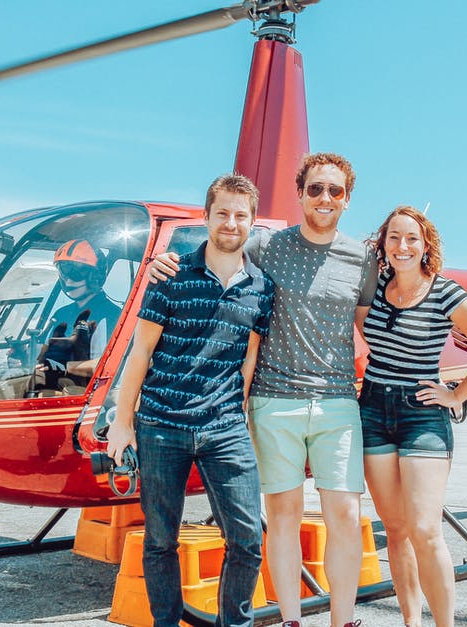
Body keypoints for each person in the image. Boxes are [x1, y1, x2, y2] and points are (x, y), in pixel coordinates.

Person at [151, 153, 376, 627]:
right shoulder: (267, 245)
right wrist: (161, 263)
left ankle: (342, 620)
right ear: (299, 194)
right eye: (315, 188)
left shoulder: (363, 257)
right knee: (284, 513)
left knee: (343, 510)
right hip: (275, 399)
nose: (324, 198)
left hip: (337, 399)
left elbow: (372, 325)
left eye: (334, 191)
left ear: (348, 199)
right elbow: (219, 243)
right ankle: (291, 619)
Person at [105, 173, 275, 627]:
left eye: (241, 215)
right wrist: (123, 423)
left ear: (252, 222)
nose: (231, 223)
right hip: (161, 424)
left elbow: (249, 362)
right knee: (161, 539)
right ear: (206, 217)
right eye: (222, 213)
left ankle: (233, 624)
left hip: (224, 427)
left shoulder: (261, 287)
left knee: (247, 539)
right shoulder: (172, 274)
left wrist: (246, 425)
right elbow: (139, 352)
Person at [356, 205, 467, 627]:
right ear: (383, 245)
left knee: (425, 530)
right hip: (372, 409)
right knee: (397, 530)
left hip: (422, 414)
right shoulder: (375, 285)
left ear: (425, 246)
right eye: (394, 238)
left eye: (412, 239)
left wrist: (457, 394)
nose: (402, 246)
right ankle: (411, 622)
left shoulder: (445, 292)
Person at [32, 239, 122, 391]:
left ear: (95, 275)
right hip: (54, 388)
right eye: (64, 271)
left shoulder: (112, 316)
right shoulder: (61, 314)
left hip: (86, 396)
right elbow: (47, 353)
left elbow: (109, 364)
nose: (68, 278)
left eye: (76, 272)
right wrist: (26, 355)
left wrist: (64, 367)